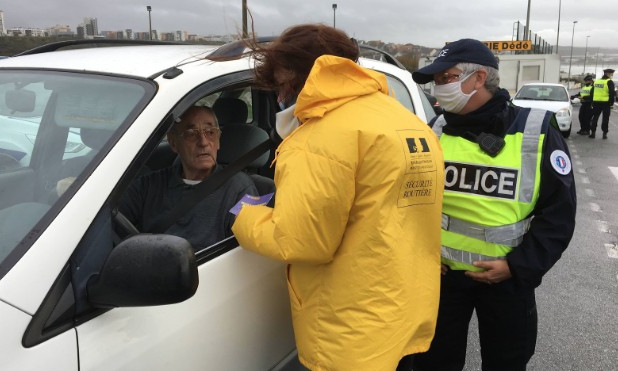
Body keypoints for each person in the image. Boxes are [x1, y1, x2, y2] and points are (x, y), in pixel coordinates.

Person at [230, 24, 445, 370]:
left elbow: (301, 241)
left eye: (282, 84)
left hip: (352, 329)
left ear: (300, 72)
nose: (280, 96)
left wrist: (244, 216)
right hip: (405, 308)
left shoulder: (320, 136)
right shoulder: (403, 121)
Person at [411, 38, 576, 371]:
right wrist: (419, 255)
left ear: (478, 79)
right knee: (433, 362)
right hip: (441, 279)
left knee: (506, 363)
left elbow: (558, 213)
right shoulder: (436, 130)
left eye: (447, 77)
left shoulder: (536, 130)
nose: (439, 87)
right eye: (436, 80)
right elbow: (412, 202)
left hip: (507, 280)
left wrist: (518, 267)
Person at [118, 105, 257, 250]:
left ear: (218, 140)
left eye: (210, 132)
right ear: (173, 143)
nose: (203, 142)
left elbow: (247, 246)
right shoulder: (148, 185)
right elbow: (105, 224)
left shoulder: (240, 188)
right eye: (191, 133)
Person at [589, 68, 615, 139]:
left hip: (596, 102)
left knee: (595, 118)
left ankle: (593, 133)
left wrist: (592, 101)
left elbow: (591, 92)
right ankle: (604, 133)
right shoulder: (609, 82)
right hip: (605, 103)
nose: (611, 75)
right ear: (608, 74)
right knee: (605, 118)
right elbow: (612, 93)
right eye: (611, 74)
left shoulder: (597, 81)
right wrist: (611, 103)